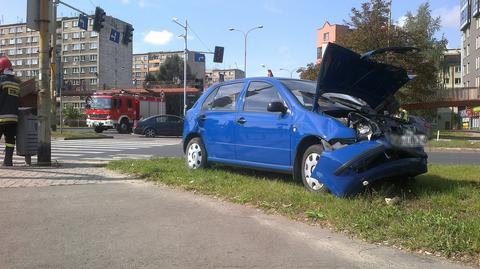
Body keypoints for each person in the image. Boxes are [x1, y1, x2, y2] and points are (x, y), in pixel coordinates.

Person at [0, 56, 20, 166]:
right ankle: (8, 161)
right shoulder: (17, 82)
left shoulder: (1, 80)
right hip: (13, 118)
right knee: (10, 141)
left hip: (1, 116)